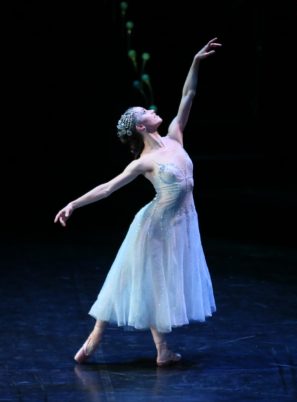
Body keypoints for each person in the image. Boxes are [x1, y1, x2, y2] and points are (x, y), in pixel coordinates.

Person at [54, 38, 221, 367]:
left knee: (147, 282)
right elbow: (108, 188)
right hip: (155, 226)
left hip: (180, 224)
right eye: (147, 111)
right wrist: (73, 203)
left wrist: (196, 61)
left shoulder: (175, 134)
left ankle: (154, 349)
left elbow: (188, 95)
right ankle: (100, 340)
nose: (154, 110)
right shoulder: (143, 162)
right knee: (137, 280)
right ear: (142, 126)